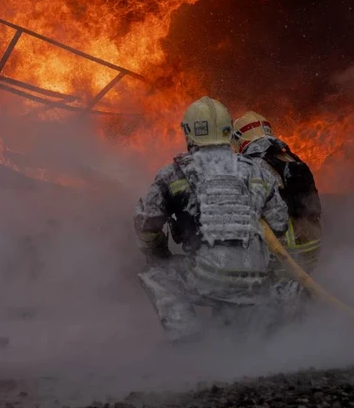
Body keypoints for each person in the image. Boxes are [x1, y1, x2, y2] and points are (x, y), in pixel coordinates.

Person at [133, 97, 290, 344]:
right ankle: (260, 332)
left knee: (155, 273)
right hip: (256, 280)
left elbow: (145, 222)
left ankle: (188, 338)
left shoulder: (174, 174)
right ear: (229, 130)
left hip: (206, 280)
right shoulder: (256, 171)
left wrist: (159, 253)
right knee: (264, 281)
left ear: (189, 132)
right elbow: (279, 224)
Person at [231, 111, 323, 315]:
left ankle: (284, 328)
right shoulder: (289, 157)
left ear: (241, 138)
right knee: (296, 285)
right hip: (312, 243)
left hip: (284, 247)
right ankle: (305, 310)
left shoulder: (252, 165)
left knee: (275, 296)